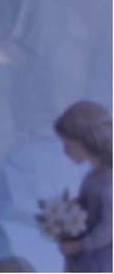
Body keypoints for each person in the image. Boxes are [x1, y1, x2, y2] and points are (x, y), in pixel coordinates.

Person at [53, 100, 112, 273]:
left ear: (87, 141)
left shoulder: (107, 183)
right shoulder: (94, 175)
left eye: (68, 144)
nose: (65, 150)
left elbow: (109, 228)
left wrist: (77, 246)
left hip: (100, 262)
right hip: (87, 259)